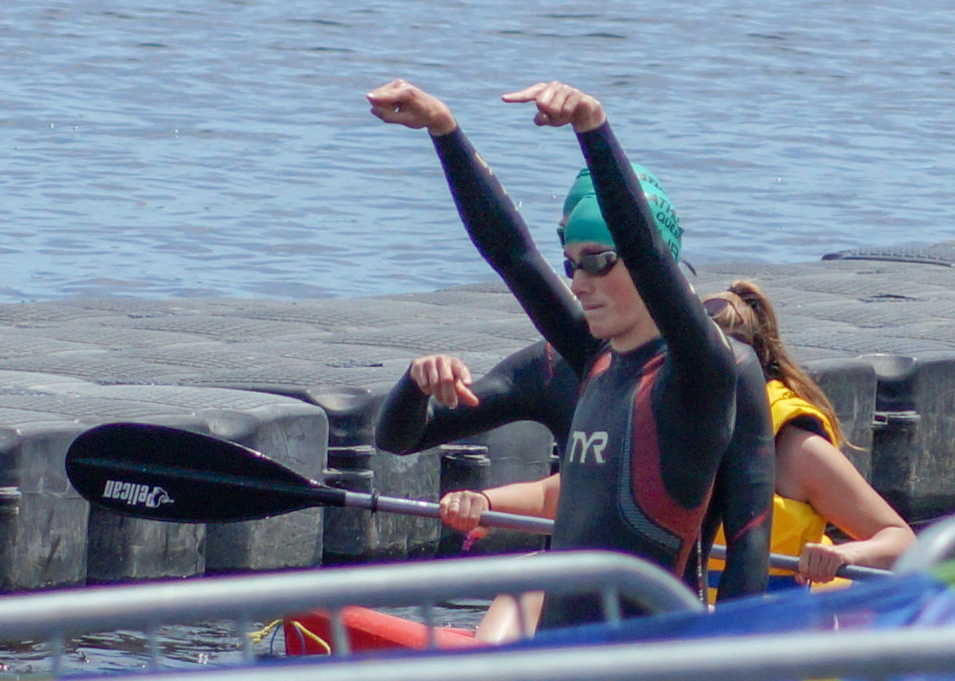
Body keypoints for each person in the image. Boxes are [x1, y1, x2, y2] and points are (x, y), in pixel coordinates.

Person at [367, 78, 741, 631]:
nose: (579, 281)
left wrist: (592, 128)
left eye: (598, 261)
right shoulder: (592, 359)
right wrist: (443, 129)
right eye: (571, 263)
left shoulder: (697, 372)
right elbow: (513, 254)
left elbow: (646, 249)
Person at [702, 280, 916, 588]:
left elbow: (901, 540)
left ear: (752, 363)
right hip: (681, 608)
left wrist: (847, 556)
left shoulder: (796, 450)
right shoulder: (661, 425)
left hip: (782, 614)